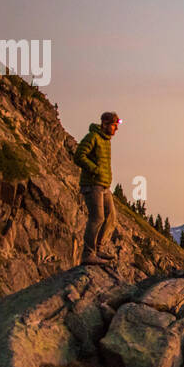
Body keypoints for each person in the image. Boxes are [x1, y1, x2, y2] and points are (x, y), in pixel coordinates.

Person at [73, 111, 120, 265]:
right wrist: (95, 169)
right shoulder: (93, 137)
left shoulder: (106, 141)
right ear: (105, 124)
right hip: (92, 185)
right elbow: (79, 156)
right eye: (114, 125)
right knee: (97, 218)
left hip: (103, 185)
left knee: (110, 216)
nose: (116, 129)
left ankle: (98, 249)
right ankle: (88, 254)